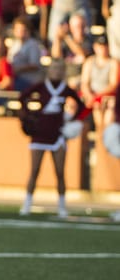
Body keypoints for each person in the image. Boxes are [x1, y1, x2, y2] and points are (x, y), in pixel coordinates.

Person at [19, 59, 87, 218]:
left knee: (60, 172)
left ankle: (62, 206)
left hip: (57, 135)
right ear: (49, 71)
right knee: (34, 170)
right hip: (40, 135)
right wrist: (30, 115)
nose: (56, 72)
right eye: (54, 69)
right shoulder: (42, 87)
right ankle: (27, 204)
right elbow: (23, 97)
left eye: (59, 69)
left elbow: (82, 107)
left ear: (63, 72)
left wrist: (71, 119)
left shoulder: (66, 90)